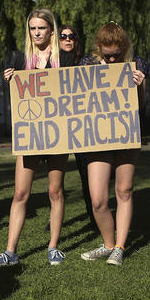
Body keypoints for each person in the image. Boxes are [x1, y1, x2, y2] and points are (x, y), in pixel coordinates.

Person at [0, 8, 68, 269]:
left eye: (41, 28)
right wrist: (12, 81)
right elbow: (21, 100)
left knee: (55, 191)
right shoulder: (21, 59)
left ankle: (53, 247)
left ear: (51, 30)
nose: (37, 32)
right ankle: (10, 251)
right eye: (32, 28)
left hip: (58, 132)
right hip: (30, 134)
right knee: (20, 193)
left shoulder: (65, 57)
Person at [77, 21, 148, 266]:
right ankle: (108, 243)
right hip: (97, 136)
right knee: (98, 199)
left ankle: (119, 246)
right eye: (107, 56)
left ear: (125, 47)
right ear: (99, 48)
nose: (112, 61)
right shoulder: (87, 64)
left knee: (124, 190)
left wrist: (139, 86)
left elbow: (141, 106)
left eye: (117, 55)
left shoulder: (136, 64)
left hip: (127, 133)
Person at [56, 23, 98, 233]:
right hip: (57, 127)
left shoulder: (87, 61)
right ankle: (55, 218)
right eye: (63, 36)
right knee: (56, 177)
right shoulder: (49, 63)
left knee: (86, 174)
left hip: (83, 127)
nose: (67, 39)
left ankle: (94, 217)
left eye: (72, 36)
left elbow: (137, 61)